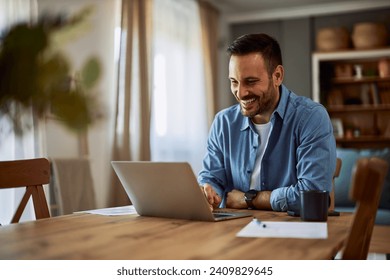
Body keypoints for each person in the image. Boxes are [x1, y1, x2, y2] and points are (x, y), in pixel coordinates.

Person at [198, 33, 336, 213]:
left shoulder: (311, 118)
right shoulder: (223, 123)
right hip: (234, 229)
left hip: (291, 231)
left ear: (277, 76)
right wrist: (208, 191)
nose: (240, 93)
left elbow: (312, 195)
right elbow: (212, 178)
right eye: (234, 82)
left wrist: (250, 199)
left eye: (251, 81)